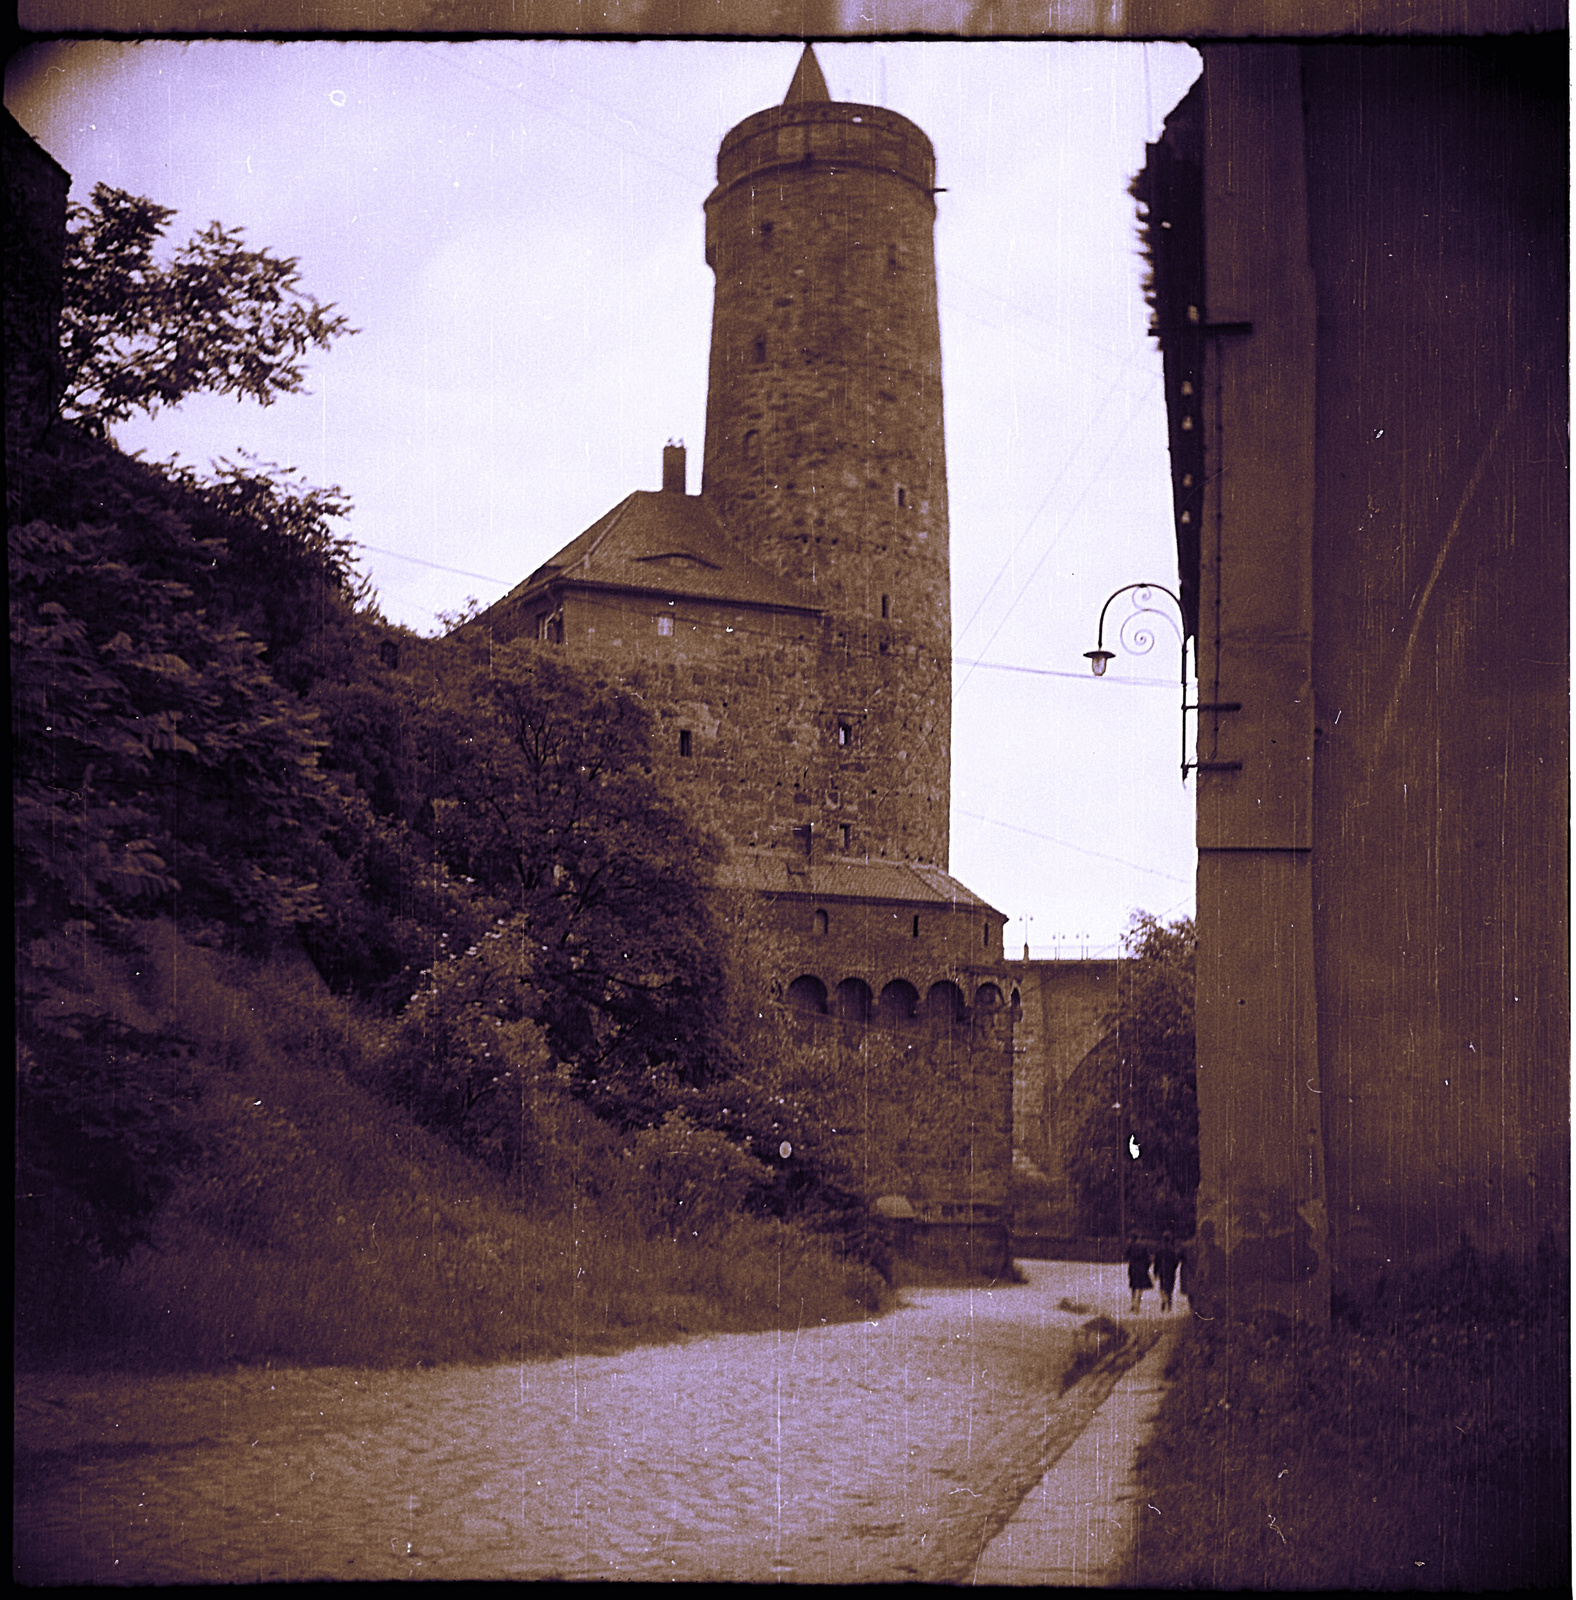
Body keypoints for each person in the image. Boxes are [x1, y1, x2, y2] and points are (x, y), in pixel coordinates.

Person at [1153, 1230, 1182, 1313]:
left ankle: (1163, 1299)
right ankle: (1169, 1304)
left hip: (1162, 1270)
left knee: (1162, 1286)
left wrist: (1155, 1272)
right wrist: (1174, 1268)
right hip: (1170, 1271)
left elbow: (1156, 1261)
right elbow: (1176, 1261)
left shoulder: (1159, 1249)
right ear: (1170, 1239)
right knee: (1170, 1288)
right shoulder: (1172, 1250)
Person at [1125, 1233, 1152, 1314]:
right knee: (1140, 1288)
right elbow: (1148, 1259)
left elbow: (1126, 1256)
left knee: (1133, 1287)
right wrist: (1146, 1267)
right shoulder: (1143, 1247)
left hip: (1133, 1268)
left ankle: (1133, 1304)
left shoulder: (1130, 1247)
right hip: (1142, 1268)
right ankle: (1138, 1305)